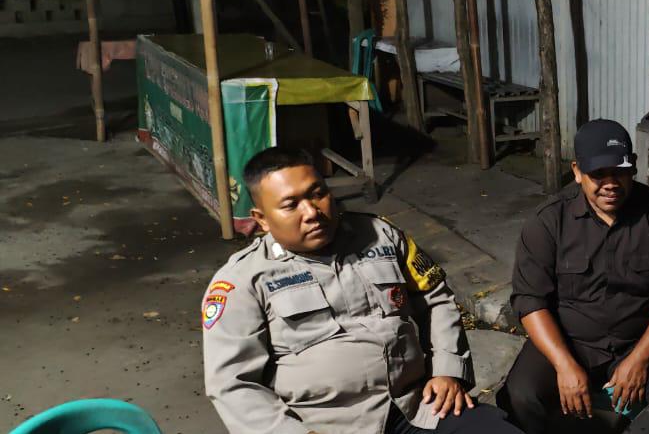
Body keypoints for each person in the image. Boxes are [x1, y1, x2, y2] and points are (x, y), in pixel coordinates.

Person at [201, 147, 521, 434]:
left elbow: (435, 299)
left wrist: (447, 370)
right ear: (262, 219)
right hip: (323, 425)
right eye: (291, 205)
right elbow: (232, 383)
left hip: (417, 405)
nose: (311, 212)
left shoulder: (382, 236)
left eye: (317, 194)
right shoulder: (242, 280)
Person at [498, 119, 649, 433]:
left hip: (641, 340)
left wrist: (639, 359)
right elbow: (530, 301)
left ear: (633, 166)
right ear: (577, 172)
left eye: (620, 171)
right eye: (598, 174)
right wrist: (564, 364)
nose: (611, 183)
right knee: (520, 394)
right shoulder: (548, 221)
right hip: (569, 341)